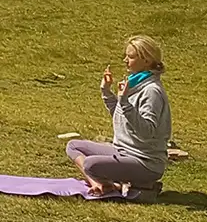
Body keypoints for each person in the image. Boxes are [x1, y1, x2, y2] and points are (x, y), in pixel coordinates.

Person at [66, 34, 171, 196]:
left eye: (130, 57)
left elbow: (147, 133)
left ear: (146, 60)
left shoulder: (151, 91)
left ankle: (136, 183)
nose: (125, 60)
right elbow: (121, 117)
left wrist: (124, 102)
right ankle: (103, 184)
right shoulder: (135, 83)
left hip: (144, 162)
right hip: (122, 151)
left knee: (90, 165)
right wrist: (106, 92)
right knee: (73, 146)